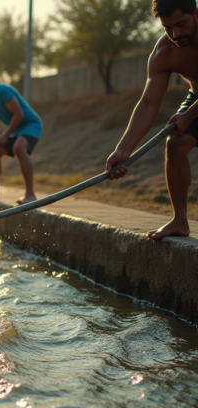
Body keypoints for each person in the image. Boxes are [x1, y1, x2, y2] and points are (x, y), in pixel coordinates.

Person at [107, 0, 198, 239]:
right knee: (176, 144)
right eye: (168, 28)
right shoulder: (165, 51)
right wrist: (123, 150)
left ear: (196, 13)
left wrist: (188, 115)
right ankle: (179, 221)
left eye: (181, 24)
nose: (176, 34)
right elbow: (149, 104)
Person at [0, 63, 43, 204]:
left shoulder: (4, 91)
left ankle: (30, 194)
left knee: (19, 148)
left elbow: (19, 114)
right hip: (15, 130)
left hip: (30, 124)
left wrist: (5, 135)